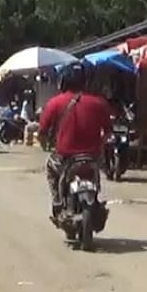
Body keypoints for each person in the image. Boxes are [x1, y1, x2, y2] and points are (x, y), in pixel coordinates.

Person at [38, 63, 113, 218]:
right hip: (92, 157)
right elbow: (108, 132)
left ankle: (57, 201)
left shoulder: (54, 103)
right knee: (95, 173)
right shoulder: (99, 103)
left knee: (50, 168)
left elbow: (43, 131)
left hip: (64, 159)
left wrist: (45, 144)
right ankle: (95, 199)